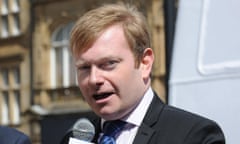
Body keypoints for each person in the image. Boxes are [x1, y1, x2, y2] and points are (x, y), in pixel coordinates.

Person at [62, 3, 225, 144]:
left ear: (144, 63)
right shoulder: (75, 139)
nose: (94, 79)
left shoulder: (194, 136)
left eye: (108, 64)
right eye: (84, 68)